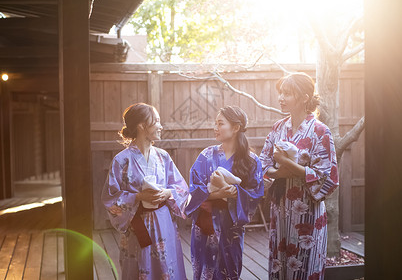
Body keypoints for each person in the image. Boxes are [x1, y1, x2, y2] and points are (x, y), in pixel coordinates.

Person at [259, 73, 339, 280]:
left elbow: (327, 176)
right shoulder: (278, 128)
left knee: (305, 264)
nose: (281, 98)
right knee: (280, 263)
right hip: (280, 208)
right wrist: (278, 173)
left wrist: (286, 163)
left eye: (287, 94)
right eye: (281, 93)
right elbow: (262, 164)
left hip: (307, 211)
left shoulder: (321, 131)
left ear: (305, 97)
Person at [101, 103, 189, 280]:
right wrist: (138, 196)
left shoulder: (163, 156)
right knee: (138, 268)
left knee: (167, 267)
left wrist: (168, 193)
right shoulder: (122, 160)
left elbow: (181, 188)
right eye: (156, 121)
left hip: (165, 224)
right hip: (137, 226)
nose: (160, 125)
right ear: (141, 125)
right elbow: (110, 199)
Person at [185, 105, 264, 280]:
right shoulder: (206, 155)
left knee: (230, 270)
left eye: (220, 124)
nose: (215, 128)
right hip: (205, 224)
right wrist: (221, 193)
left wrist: (234, 192)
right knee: (205, 271)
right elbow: (192, 190)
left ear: (235, 128)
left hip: (231, 227)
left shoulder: (251, 160)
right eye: (215, 123)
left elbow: (255, 194)